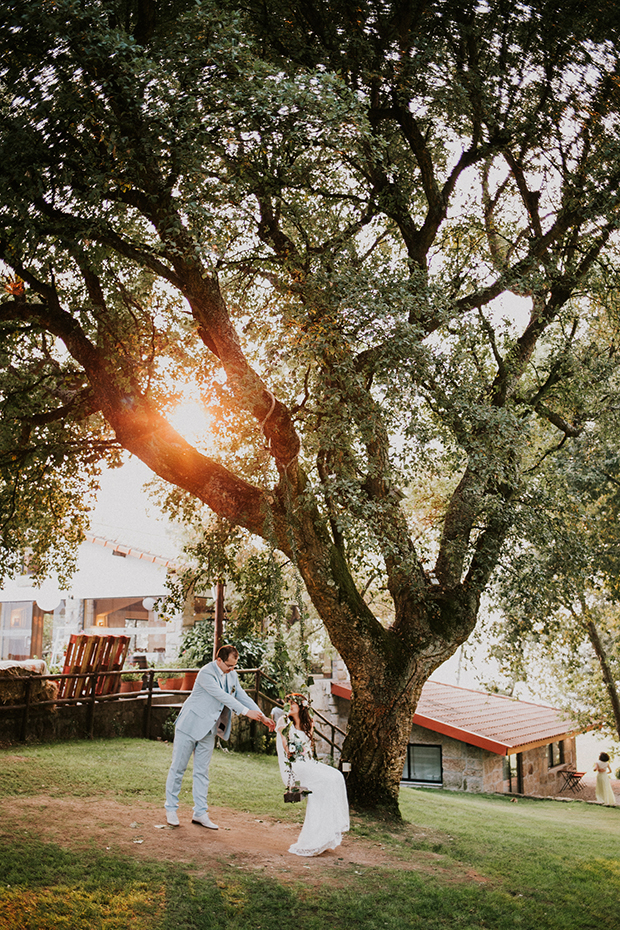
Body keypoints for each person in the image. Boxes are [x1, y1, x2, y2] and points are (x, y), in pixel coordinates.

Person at [165, 644, 275, 828]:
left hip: (210, 729)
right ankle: (171, 809)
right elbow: (223, 697)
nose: (232, 669)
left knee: (202, 772)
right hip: (189, 726)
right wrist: (246, 712)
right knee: (178, 768)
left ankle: (200, 813)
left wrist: (261, 716)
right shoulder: (206, 673)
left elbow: (241, 695)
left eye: (234, 666)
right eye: (229, 666)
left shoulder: (232, 674)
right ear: (219, 660)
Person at [276, 692, 349, 857]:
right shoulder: (283, 721)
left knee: (336, 776)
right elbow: (286, 747)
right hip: (294, 765)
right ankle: (312, 839)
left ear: (301, 706)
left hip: (308, 762)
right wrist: (292, 750)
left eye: (292, 704)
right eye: (287, 704)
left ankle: (327, 833)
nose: (289, 706)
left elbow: (310, 749)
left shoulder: (309, 723)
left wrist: (308, 756)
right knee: (324, 783)